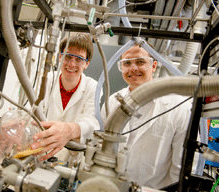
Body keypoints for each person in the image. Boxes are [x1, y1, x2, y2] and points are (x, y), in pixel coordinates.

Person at [101, 44, 194, 189]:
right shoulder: (112, 102)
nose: (133, 68)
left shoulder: (179, 106)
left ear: (154, 66)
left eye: (140, 62)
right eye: (127, 63)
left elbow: (182, 168)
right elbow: (102, 149)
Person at [30, 32, 100, 162]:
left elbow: (92, 124)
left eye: (79, 59)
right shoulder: (47, 79)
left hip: (71, 160)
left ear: (87, 63)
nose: (72, 64)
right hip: (40, 154)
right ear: (60, 57)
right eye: (68, 56)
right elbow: (32, 112)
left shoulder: (93, 87)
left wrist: (69, 130)